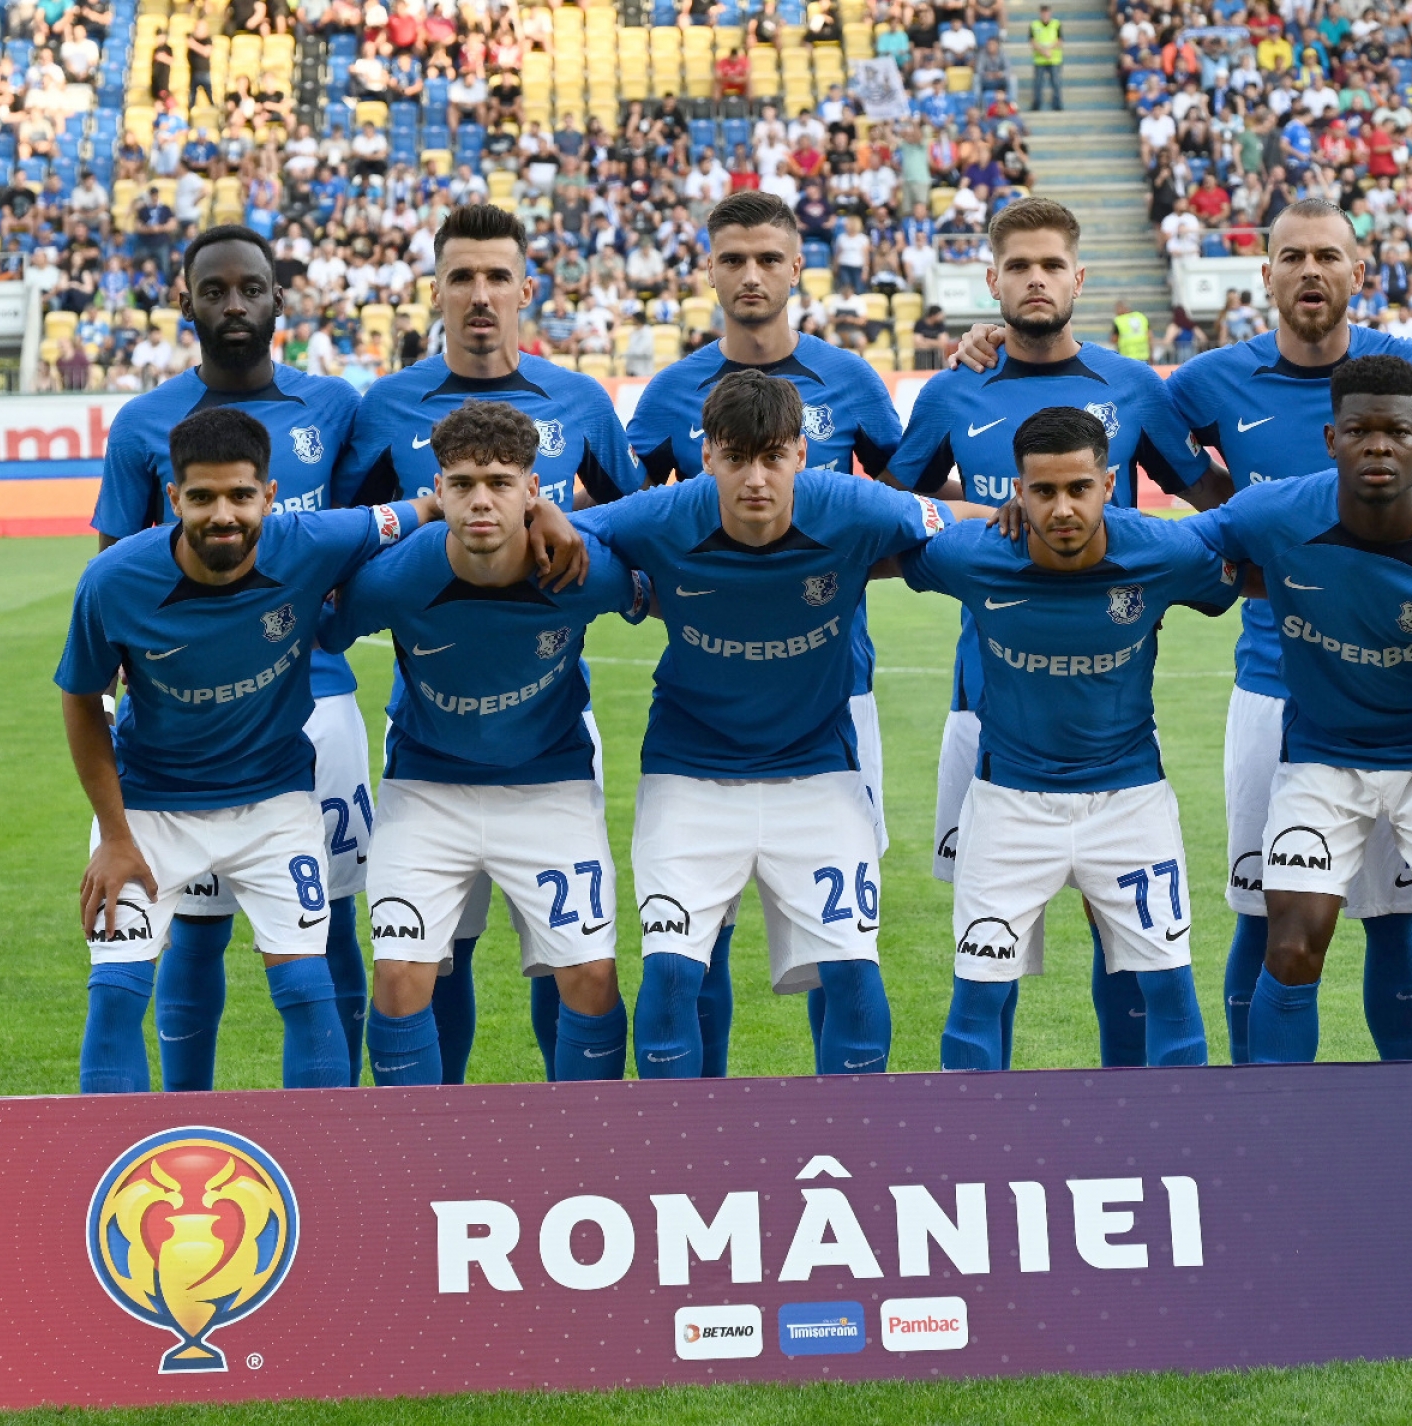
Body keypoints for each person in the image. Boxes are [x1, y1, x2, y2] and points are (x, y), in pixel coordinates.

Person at [882, 196, 1222, 1068]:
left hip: (1112, 711)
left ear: (1079, 278)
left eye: (1051, 266)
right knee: (987, 956)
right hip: (985, 709)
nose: (1036, 280)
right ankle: (989, 1129)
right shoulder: (953, 390)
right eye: (1019, 267)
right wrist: (984, 512)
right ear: (991, 280)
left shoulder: (1134, 388)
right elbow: (892, 512)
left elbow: (1212, 505)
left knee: (1129, 947)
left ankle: (1133, 1111)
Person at [576, 371, 991, 1080]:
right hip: (689, 772)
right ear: (707, 457)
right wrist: (634, 587)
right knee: (671, 973)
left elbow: (962, 521)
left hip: (817, 772)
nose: (755, 479)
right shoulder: (662, 513)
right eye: (736, 458)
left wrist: (1025, 521)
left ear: (802, 453)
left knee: (853, 972)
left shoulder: (852, 504)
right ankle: (679, 1139)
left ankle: (854, 1133)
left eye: (772, 457)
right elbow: (567, 533)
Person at [335, 203, 645, 1085]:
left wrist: (562, 516)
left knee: (566, 955)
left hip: (550, 727)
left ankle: (569, 1124)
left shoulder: (580, 401)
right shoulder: (385, 406)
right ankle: (438, 1132)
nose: (480, 295)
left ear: (525, 289)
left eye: (497, 277)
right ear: (435, 290)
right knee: (439, 955)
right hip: (429, 725)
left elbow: (633, 531)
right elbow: (344, 545)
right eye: (462, 277)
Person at [1164, 199, 1412, 1066]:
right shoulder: (1207, 383)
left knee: (1395, 917)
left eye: (1329, 256)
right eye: (1293, 256)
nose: (1311, 271)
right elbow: (1127, 430)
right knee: (1262, 916)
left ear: (1359, 273)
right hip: (1272, 689)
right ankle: (1256, 1109)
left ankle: (1408, 1106)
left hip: (1400, 697)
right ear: (1265, 273)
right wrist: (1238, 533)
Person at [56, 408, 438, 1094]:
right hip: (149, 808)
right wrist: (113, 836)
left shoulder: (315, 539)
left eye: (240, 494)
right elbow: (82, 701)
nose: (222, 514)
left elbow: (423, 509)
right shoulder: (113, 581)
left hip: (273, 802)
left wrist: (543, 519)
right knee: (114, 991)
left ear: (269, 495)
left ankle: (321, 1151)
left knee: (308, 990)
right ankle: (120, 1159)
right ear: (173, 499)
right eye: (202, 497)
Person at [1191, 355, 1412, 1064]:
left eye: (1397, 432)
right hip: (1322, 758)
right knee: (1290, 945)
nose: (1378, 446)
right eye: (1359, 431)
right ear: (1332, 440)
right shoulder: (1276, 512)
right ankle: (1277, 1121)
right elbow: (1181, 548)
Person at [625, 191, 906, 1074]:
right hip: (711, 702)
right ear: (709, 270)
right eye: (733, 259)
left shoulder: (853, 381)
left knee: (836, 940)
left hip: (835, 695)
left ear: (796, 269)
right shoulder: (670, 393)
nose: (751, 275)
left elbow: (898, 520)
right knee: (696, 937)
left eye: (769, 259)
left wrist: (822, 580)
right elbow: (633, 531)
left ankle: (838, 1116)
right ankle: (699, 1115)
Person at [90, 225, 370, 1093]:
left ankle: (335, 1128)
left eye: (252, 288)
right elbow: (114, 570)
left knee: (330, 924)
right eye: (215, 290)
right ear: (186, 303)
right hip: (187, 714)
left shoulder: (336, 405)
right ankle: (185, 1118)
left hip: (320, 705)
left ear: (280, 299)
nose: (235, 304)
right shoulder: (142, 421)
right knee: (196, 930)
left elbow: (361, 539)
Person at [1029, 3, 1062, 111]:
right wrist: (1043, 51)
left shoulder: (1056, 24)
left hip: (1054, 59)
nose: (1045, 15)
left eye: (1047, 13)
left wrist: (1049, 50)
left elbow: (1060, 40)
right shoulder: (1034, 25)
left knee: (1056, 83)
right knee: (1038, 84)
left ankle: (1057, 105)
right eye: (1043, 13)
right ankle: (1036, 105)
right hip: (1039, 59)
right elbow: (1032, 41)